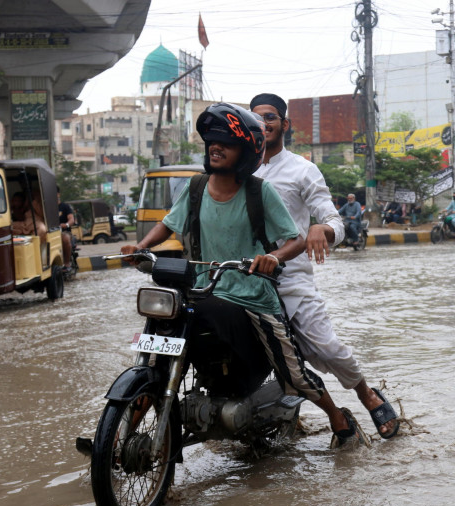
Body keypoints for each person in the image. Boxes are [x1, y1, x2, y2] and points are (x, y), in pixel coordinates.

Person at [121, 102, 367, 448]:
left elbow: (294, 239)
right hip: (207, 290)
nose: (216, 148)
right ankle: (119, 436)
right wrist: (141, 247)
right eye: (211, 143)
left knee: (292, 372)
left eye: (227, 143)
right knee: (162, 351)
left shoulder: (259, 191)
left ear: (247, 151)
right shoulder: (195, 189)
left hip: (253, 296)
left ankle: (337, 417)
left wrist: (271, 258)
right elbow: (168, 224)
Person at [251, 92, 399, 439]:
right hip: (245, 279)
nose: (263, 124)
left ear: (284, 125)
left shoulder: (303, 170)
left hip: (291, 281)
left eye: (270, 117)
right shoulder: (237, 169)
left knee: (327, 348)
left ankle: (366, 394)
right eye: (255, 119)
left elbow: (336, 220)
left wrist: (322, 228)